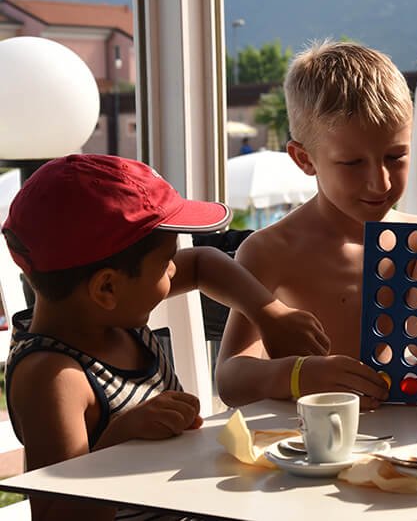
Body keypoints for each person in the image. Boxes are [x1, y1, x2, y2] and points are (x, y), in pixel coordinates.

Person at [1, 154, 329, 520]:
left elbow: (203, 262)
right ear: (107, 287)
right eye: (165, 263)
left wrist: (270, 314)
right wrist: (120, 439)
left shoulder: (111, 314)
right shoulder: (53, 377)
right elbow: (59, 516)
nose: (174, 271)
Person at [215, 41, 417, 408]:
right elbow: (230, 379)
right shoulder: (272, 251)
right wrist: (300, 375)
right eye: (353, 163)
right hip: (308, 438)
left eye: (396, 156)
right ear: (304, 159)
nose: (381, 183)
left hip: (409, 436)